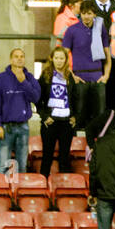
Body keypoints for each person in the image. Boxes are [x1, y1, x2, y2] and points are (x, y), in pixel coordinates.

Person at [61, 0, 111, 132]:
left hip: (97, 77)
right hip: (79, 77)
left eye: (89, 13)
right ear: (80, 14)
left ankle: (98, 143)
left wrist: (106, 75)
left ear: (94, 14)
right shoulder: (72, 30)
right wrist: (72, 76)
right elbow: (63, 56)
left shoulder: (101, 29)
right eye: (83, 13)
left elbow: (107, 55)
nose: (86, 16)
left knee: (100, 114)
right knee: (79, 113)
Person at [0, 47, 42, 175]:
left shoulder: (29, 78)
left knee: (22, 165)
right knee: (3, 165)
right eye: (16, 56)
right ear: (11, 59)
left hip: (23, 126)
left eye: (22, 56)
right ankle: (1, 192)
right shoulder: (1, 78)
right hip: (6, 127)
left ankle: (19, 193)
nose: (19, 59)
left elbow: (36, 98)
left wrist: (23, 82)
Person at [37, 47, 77, 175]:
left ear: (66, 60)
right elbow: (37, 99)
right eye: (56, 58)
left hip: (66, 123)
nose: (59, 61)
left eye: (62, 58)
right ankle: (44, 186)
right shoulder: (45, 75)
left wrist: (75, 117)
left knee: (64, 158)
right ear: (52, 59)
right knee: (47, 157)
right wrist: (44, 116)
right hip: (50, 122)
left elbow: (76, 99)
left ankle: (64, 189)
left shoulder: (70, 76)